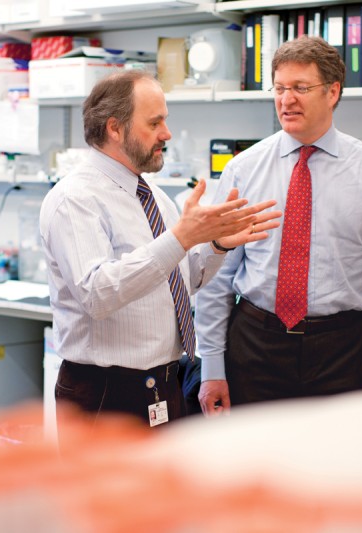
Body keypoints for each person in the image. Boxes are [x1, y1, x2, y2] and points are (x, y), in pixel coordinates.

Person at [39, 70, 282, 428]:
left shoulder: (152, 196)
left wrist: (216, 244)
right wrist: (180, 239)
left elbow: (183, 280)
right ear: (115, 128)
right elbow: (97, 293)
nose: (166, 134)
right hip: (106, 392)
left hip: (162, 383)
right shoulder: (75, 199)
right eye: (154, 123)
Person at [194, 36, 362, 415]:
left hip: (342, 350)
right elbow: (217, 275)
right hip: (255, 346)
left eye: (300, 88)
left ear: (333, 92)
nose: (287, 100)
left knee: (336, 454)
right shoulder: (243, 169)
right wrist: (212, 367)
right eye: (279, 88)